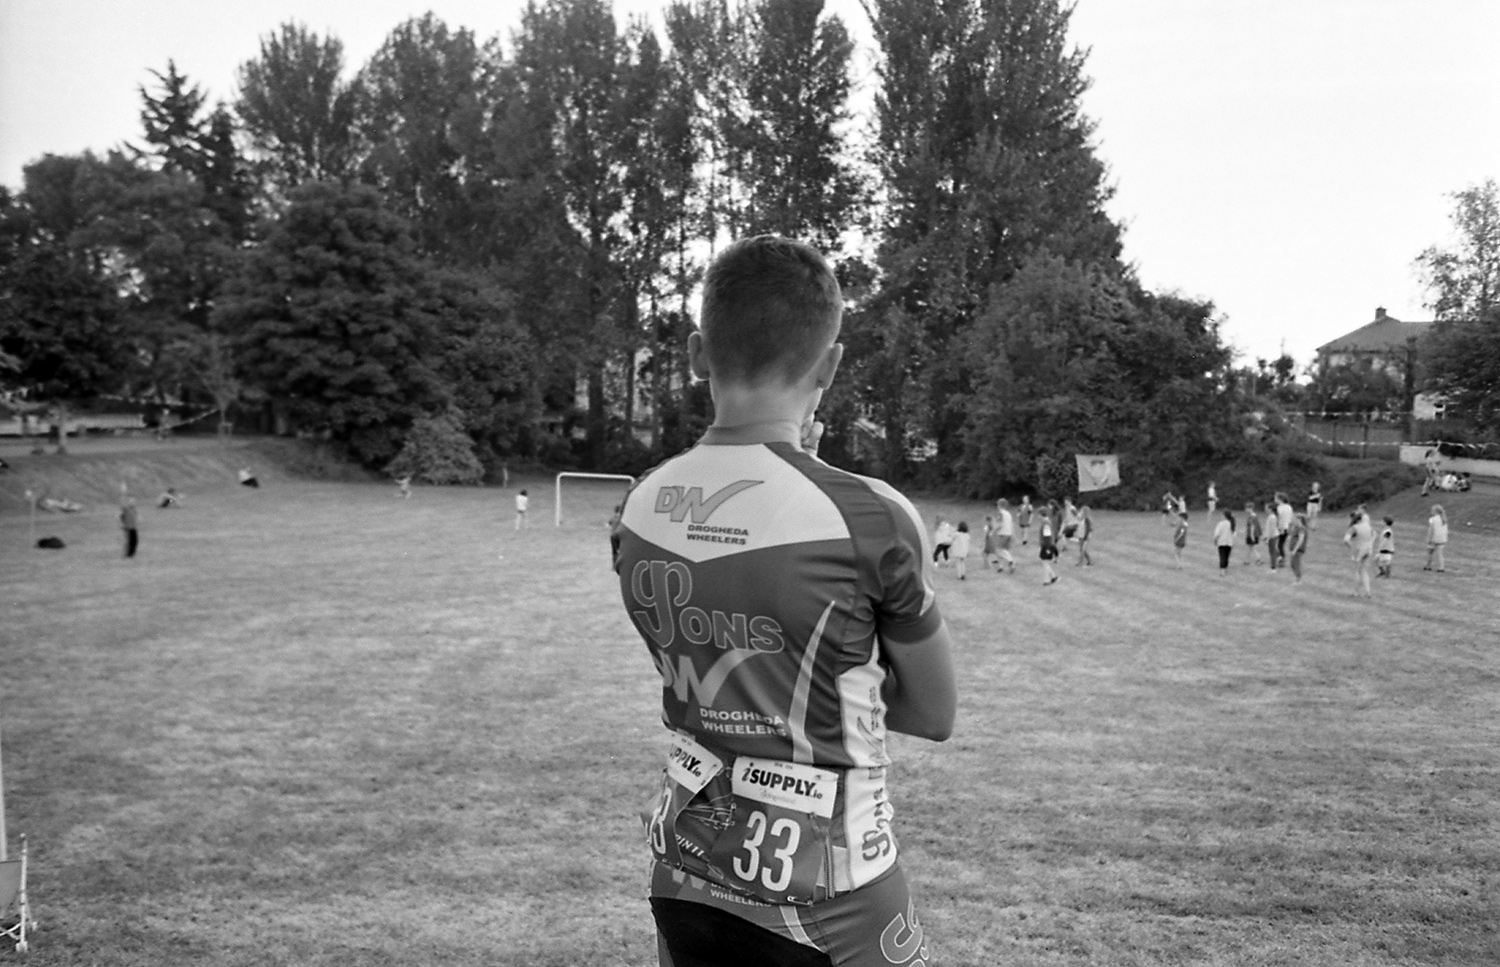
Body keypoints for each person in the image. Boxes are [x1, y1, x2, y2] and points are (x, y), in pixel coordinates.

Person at [610, 235, 955, 967]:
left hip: (683, 873)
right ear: (829, 365)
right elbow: (932, 712)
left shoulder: (637, 506)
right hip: (831, 894)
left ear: (700, 353)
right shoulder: (870, 516)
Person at [1343, 506, 1374, 597]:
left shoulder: (1354, 528)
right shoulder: (1368, 527)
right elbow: (1373, 535)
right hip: (1368, 550)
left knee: (1356, 571)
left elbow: (1346, 539)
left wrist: (1351, 546)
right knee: (1364, 571)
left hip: (1358, 550)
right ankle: (1368, 592)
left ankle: (1356, 592)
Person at [1285, 510, 1309, 584]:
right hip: (1293, 549)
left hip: (1298, 549)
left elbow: (1300, 540)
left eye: (1295, 519)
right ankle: (1297, 577)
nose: (1293, 520)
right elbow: (1290, 534)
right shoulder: (1296, 527)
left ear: (1299, 520)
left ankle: (1298, 580)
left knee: (1296, 564)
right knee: (1292, 564)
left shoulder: (1302, 529)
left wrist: (1295, 549)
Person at [993, 499, 1016, 573]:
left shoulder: (1001, 513)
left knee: (999, 550)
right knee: (1005, 550)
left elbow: (1000, 524)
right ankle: (1001, 567)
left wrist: (994, 531)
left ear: (999, 505)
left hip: (1002, 533)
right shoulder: (1008, 513)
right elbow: (1011, 524)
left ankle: (1010, 561)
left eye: (997, 505)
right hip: (1009, 533)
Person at [1424, 504, 1448, 572]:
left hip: (1434, 538)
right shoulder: (1444, 519)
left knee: (1430, 552)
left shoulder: (1432, 519)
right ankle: (1441, 567)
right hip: (1442, 538)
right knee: (1440, 553)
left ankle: (1428, 566)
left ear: (1435, 511)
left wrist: (1429, 538)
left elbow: (1431, 530)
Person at [1038, 514, 1059, 585]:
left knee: (1044, 562)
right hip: (1047, 545)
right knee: (1044, 562)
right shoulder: (1045, 523)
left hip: (1047, 545)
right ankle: (1053, 577)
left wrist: (1047, 548)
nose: (1038, 516)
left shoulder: (1046, 524)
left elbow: (1047, 537)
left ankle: (1046, 580)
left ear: (1042, 515)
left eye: (1039, 514)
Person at [1212, 509, 1235, 574]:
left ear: (1224, 516)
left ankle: (1222, 570)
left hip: (1222, 542)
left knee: (1222, 556)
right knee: (1227, 556)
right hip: (1229, 543)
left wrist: (1215, 539)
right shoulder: (1231, 524)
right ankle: (1225, 568)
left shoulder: (1221, 524)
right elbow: (1234, 534)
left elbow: (1217, 533)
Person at [1275, 492, 1294, 564]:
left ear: (1280, 499)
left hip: (1281, 528)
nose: (1275, 500)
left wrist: (1281, 529)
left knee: (1275, 544)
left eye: (1275, 498)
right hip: (1287, 528)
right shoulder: (1289, 507)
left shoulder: (1279, 508)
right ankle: (1282, 559)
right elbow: (1291, 519)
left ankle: (1281, 558)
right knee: (1280, 544)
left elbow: (1280, 519)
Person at [1242, 501, 1263, 565]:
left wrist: (1251, 536)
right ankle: (1247, 560)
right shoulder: (1255, 515)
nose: (1245, 510)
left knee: (1252, 548)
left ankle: (1258, 559)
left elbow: (1252, 526)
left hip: (1252, 535)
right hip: (1255, 534)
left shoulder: (1251, 516)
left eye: (1247, 508)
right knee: (1250, 548)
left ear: (1251, 508)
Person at [1263, 500, 1282, 570]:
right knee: (1274, 549)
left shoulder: (1272, 517)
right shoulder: (1270, 516)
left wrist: (1268, 538)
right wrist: (1265, 536)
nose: (1265, 509)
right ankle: (1279, 557)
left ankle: (1273, 568)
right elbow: (1268, 528)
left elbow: (1272, 529)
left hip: (1272, 536)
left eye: (1266, 508)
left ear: (1270, 509)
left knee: (1272, 552)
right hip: (1272, 535)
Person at [120, 493, 139, 558]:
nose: (133, 502)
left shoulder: (134, 509)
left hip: (134, 527)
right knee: (128, 541)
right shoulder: (126, 508)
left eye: (134, 501)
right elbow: (121, 516)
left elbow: (135, 517)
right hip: (128, 527)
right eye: (131, 501)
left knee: (135, 541)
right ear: (128, 502)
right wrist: (123, 524)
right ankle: (127, 554)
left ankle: (132, 554)